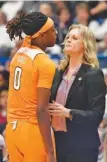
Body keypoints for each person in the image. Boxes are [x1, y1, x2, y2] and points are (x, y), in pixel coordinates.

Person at [49, 24, 107, 162]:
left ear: (85, 44)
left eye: (74, 38)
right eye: (68, 37)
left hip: (82, 146)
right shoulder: (58, 72)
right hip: (57, 142)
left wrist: (68, 113)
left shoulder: (93, 74)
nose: (68, 40)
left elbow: (97, 115)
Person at [5, 11, 57, 162]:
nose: (56, 33)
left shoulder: (18, 55)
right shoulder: (44, 63)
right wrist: (50, 150)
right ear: (41, 35)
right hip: (32, 131)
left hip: (12, 131)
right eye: (52, 30)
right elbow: (41, 109)